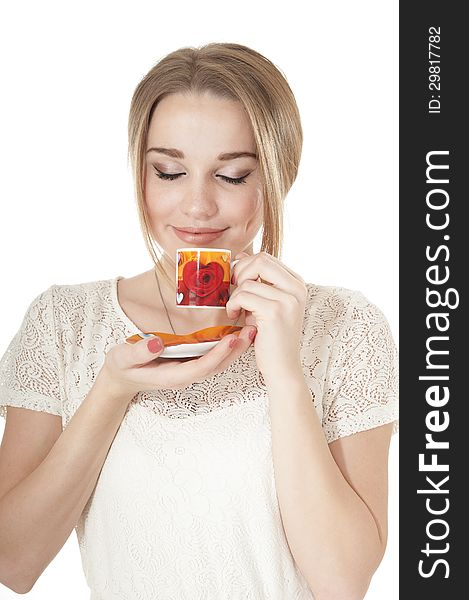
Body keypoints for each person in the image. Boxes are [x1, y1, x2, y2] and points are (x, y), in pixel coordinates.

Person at [0, 42, 399, 599]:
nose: (196, 207)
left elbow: (342, 582)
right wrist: (111, 390)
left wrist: (284, 372)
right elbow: (13, 563)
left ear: (281, 174)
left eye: (232, 176)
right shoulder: (64, 324)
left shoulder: (346, 328)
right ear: (139, 173)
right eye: (168, 172)